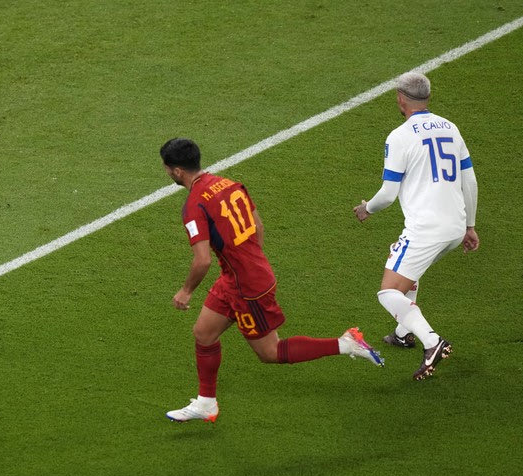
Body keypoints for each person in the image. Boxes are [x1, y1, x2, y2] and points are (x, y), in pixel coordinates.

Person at [160, 138, 384, 423]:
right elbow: (258, 224)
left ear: (177, 171)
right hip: (238, 278)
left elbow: (202, 260)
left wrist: (186, 291)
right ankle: (206, 403)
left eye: (166, 168)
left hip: (247, 288)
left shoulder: (194, 204)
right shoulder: (230, 184)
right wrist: (249, 261)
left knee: (270, 352)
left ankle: (345, 343)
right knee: (203, 333)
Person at [354, 72, 479, 380]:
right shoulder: (451, 128)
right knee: (405, 264)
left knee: (388, 292)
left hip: (426, 230)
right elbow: (470, 180)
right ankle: (402, 333)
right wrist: (470, 226)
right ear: (428, 97)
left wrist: (366, 209)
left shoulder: (400, 137)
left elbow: (388, 193)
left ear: (400, 99)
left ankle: (432, 342)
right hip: (454, 227)